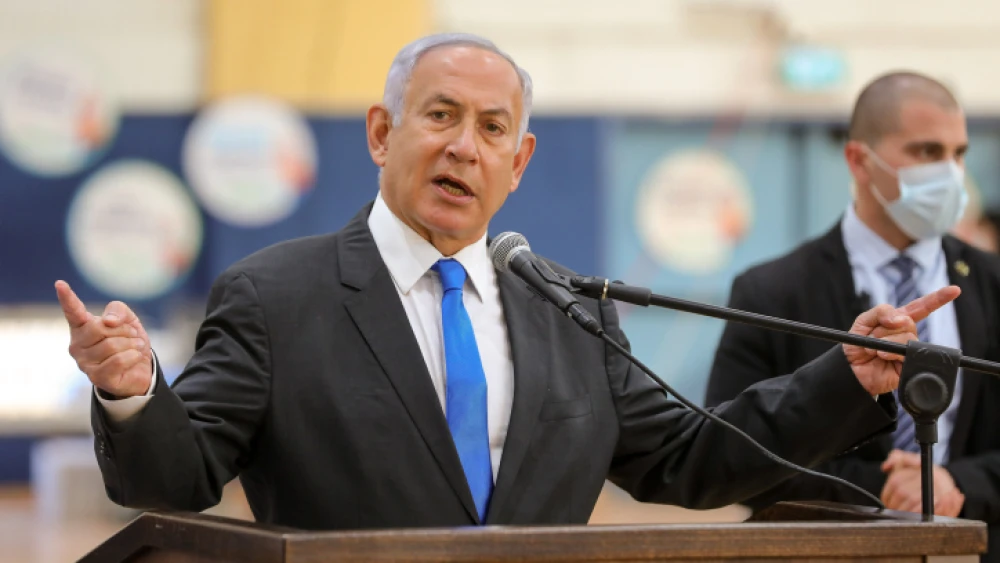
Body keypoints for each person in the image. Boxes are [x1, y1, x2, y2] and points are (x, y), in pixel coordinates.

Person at [57, 35, 955, 531]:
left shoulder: (563, 305)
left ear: (519, 162)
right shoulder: (273, 296)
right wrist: (134, 393)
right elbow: (177, 481)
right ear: (381, 132)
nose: (464, 146)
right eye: (440, 116)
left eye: (493, 129)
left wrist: (845, 375)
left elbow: (690, 456)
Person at [705, 71, 1000, 561]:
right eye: (928, 152)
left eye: (959, 153)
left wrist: (954, 482)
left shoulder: (992, 284)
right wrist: (882, 495)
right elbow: (730, 452)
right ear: (859, 160)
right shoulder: (771, 292)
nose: (950, 172)